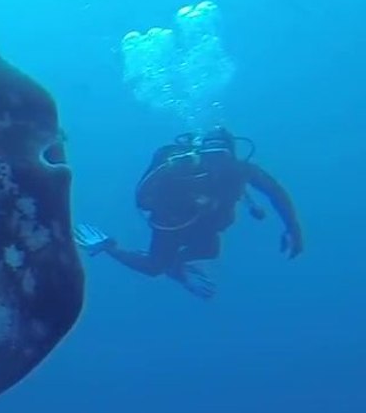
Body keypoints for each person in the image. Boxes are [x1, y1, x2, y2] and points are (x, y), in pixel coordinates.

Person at [73, 126, 303, 299]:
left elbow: (276, 192)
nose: (217, 162)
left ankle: (175, 266)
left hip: (206, 225)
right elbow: (145, 198)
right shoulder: (183, 168)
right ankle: (106, 245)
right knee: (154, 267)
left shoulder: (241, 170)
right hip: (172, 223)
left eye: (221, 155)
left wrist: (293, 228)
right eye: (212, 154)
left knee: (210, 250)